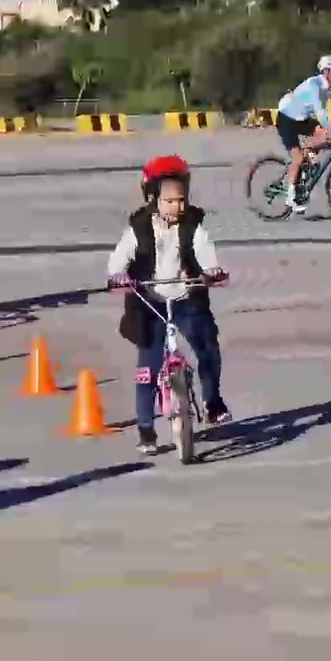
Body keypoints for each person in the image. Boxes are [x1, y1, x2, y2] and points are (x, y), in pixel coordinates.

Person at [107, 155, 232, 456]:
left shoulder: (193, 227)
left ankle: (213, 404)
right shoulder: (137, 230)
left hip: (186, 297)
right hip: (149, 301)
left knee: (208, 349)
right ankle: (146, 430)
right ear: (152, 198)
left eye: (182, 199)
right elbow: (119, 258)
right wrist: (118, 276)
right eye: (170, 201)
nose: (178, 206)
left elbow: (205, 251)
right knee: (147, 369)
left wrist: (212, 270)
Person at [275, 55, 331, 213]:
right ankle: (291, 197)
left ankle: (307, 164)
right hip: (287, 118)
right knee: (298, 157)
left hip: (302, 119)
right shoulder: (314, 85)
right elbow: (320, 113)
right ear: (326, 71)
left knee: (324, 138)